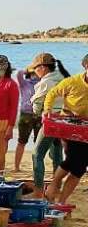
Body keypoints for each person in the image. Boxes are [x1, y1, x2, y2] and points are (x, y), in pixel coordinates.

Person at [44, 53, 88, 205]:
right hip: (71, 126)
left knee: (79, 168)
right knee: (74, 161)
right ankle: (55, 187)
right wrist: (47, 109)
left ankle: (60, 199)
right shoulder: (72, 82)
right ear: (86, 66)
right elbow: (52, 93)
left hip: (87, 129)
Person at [29, 52, 66, 198]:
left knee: (36, 154)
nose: (35, 71)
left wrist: (36, 111)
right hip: (63, 120)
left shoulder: (45, 83)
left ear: (43, 67)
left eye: (36, 68)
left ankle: (38, 190)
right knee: (57, 154)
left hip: (50, 121)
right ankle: (57, 187)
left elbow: (38, 106)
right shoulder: (62, 78)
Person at [14, 66, 41, 173]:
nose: (36, 75)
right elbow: (18, 73)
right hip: (26, 115)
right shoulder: (24, 83)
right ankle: (16, 166)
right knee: (21, 141)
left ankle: (37, 166)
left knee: (38, 143)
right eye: (34, 73)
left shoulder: (42, 82)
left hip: (39, 114)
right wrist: (27, 70)